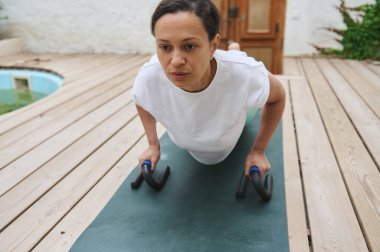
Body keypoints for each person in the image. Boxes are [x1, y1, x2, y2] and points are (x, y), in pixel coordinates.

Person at [133, 0, 285, 177]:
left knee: (237, 65)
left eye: (189, 46)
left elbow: (278, 96)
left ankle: (234, 50)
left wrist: (258, 151)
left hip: (240, 114)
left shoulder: (246, 75)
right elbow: (140, 99)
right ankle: (233, 49)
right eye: (165, 47)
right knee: (234, 60)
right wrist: (153, 144)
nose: (175, 61)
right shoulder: (149, 76)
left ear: (213, 45)